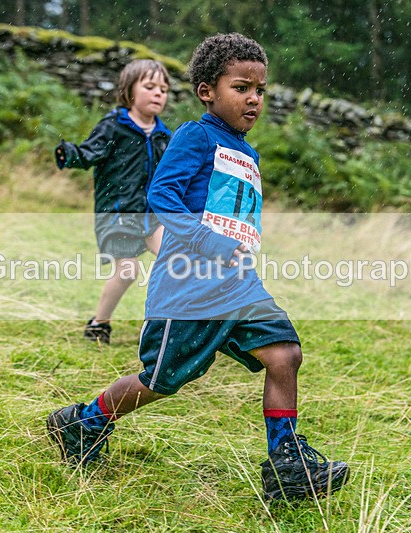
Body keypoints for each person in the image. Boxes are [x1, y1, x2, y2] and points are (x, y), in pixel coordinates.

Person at [47, 33, 348, 502]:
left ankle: (287, 463)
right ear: (208, 91)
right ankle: (83, 422)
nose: (253, 98)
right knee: (162, 380)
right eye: (241, 87)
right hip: (189, 288)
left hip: (238, 286)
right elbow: (161, 196)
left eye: (260, 90)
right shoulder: (195, 135)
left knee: (285, 353)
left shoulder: (248, 153)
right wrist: (208, 240)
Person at [54, 59, 172, 344]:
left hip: (153, 214)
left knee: (175, 260)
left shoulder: (164, 136)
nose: (159, 93)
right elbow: (89, 152)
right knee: (128, 271)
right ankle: (99, 323)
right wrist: (69, 153)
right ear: (129, 91)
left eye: (164, 89)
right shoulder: (114, 127)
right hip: (118, 213)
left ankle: (168, 328)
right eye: (150, 86)